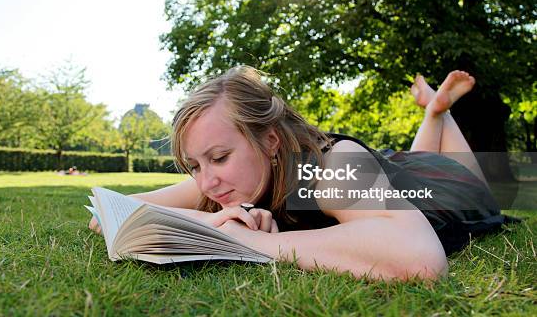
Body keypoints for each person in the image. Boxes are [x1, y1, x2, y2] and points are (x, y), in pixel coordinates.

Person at [88, 66, 513, 281]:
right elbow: (105, 214)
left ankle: (439, 111)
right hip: (387, 177)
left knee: (450, 170)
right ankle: (434, 111)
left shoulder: (330, 164)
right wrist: (210, 220)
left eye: (219, 157)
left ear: (270, 142)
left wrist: (245, 238)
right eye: (194, 165)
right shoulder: (217, 184)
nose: (205, 182)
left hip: (445, 189)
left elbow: (417, 258)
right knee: (406, 167)